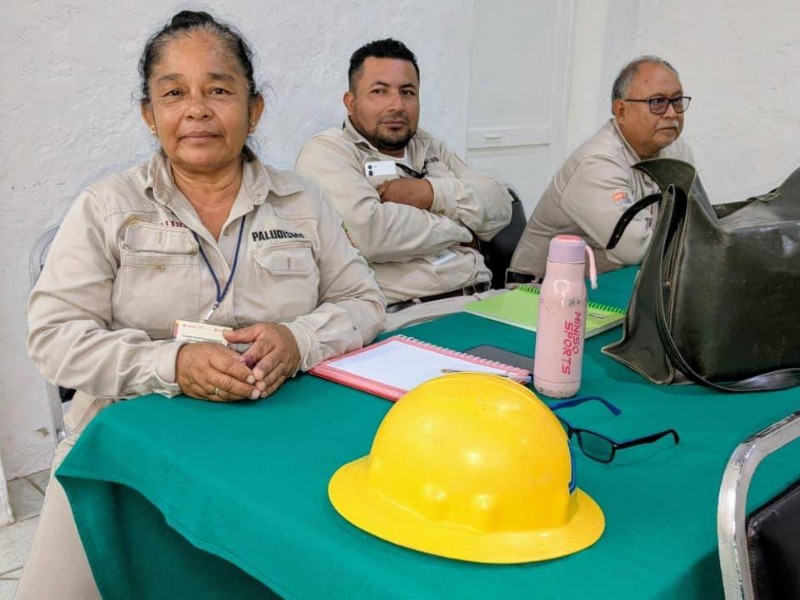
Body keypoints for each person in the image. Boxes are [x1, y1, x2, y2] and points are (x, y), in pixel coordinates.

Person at [18, 11, 384, 598]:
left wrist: (299, 341)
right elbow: (54, 338)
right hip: (125, 442)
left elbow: (363, 301)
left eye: (219, 90)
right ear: (149, 113)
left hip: (281, 430)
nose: (197, 109)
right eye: (174, 93)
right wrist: (173, 365)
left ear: (254, 107)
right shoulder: (108, 208)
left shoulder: (303, 203)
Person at [296, 38, 513, 329]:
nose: (396, 105)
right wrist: (462, 230)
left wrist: (430, 194)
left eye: (407, 92)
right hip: (408, 317)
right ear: (350, 102)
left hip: (485, 301)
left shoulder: (429, 145)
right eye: (379, 91)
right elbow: (371, 234)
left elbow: (500, 204)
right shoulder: (328, 152)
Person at [508, 56, 695, 281]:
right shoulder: (597, 162)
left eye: (676, 101)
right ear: (621, 110)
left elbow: (695, 222)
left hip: (618, 282)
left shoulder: (677, 151)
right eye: (657, 102)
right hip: (541, 292)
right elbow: (636, 249)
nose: (672, 113)